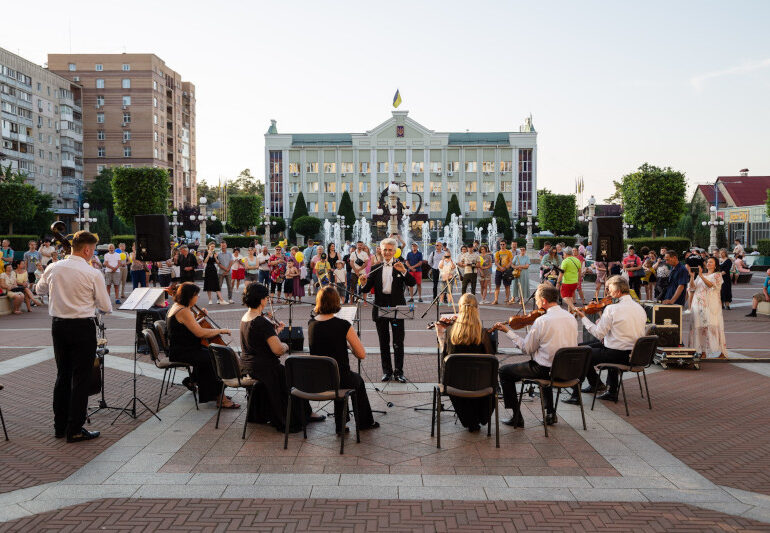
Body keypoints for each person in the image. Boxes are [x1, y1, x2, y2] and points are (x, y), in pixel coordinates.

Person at [35, 231, 112, 442]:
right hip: (81, 326)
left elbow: (39, 290)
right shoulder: (92, 272)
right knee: (80, 379)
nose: (93, 253)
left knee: (62, 375)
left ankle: (59, 426)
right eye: (93, 249)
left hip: (58, 326)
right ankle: (75, 429)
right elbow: (106, 306)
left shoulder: (53, 267)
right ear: (86, 249)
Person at [239, 282, 324, 432]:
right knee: (295, 377)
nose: (267, 301)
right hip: (265, 368)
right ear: (261, 300)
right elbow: (278, 350)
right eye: (267, 298)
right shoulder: (261, 322)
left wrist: (276, 332)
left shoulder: (246, 317)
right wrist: (285, 345)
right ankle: (305, 413)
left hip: (249, 365)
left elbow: (261, 342)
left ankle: (306, 412)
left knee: (288, 373)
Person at [495, 283, 578, 427]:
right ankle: (550, 413)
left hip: (547, 372)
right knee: (544, 359)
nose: (537, 304)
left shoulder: (542, 321)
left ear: (544, 301)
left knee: (504, 371)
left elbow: (527, 349)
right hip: (568, 371)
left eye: (537, 300)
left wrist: (509, 333)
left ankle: (516, 416)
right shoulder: (570, 317)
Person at [308, 286, 378, 433]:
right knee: (356, 380)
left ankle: (342, 424)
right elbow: (361, 354)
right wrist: (350, 347)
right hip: (340, 378)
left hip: (318, 378)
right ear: (336, 302)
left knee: (340, 377)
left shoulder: (311, 324)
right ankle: (364, 422)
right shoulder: (343, 325)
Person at [568, 275, 647, 404]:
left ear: (617, 291)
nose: (607, 292)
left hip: (616, 353)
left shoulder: (612, 309)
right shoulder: (639, 307)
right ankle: (601, 386)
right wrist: (601, 317)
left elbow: (599, 334)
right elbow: (619, 328)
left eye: (609, 289)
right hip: (633, 353)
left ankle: (576, 395)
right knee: (581, 347)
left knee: (580, 352)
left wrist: (583, 318)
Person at [166, 282, 237, 408]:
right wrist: (220, 330)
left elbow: (186, 326)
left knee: (209, 353)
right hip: (183, 352)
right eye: (196, 295)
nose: (198, 297)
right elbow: (199, 332)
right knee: (214, 358)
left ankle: (203, 387)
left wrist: (198, 317)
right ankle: (220, 398)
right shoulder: (183, 311)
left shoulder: (177, 306)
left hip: (182, 349)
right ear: (189, 296)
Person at [434, 294, 495, 432]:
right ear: (476, 309)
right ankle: (480, 416)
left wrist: (440, 334)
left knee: (456, 377)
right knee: (484, 378)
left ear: (460, 308)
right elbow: (491, 360)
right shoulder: (483, 334)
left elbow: (445, 360)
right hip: (482, 386)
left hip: (456, 386)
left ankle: (469, 419)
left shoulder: (451, 332)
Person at [360, 238, 416, 382]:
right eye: (385, 249)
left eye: (390, 250)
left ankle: (399, 372)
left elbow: (412, 282)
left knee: (398, 342)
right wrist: (362, 283)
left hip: (397, 309)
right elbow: (366, 289)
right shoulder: (375, 268)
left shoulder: (400, 265)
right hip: (380, 308)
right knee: (383, 342)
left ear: (395, 251)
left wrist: (404, 272)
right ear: (380, 250)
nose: (387, 252)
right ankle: (387, 371)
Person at [687, 258, 728, 358]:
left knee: (712, 326)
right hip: (698, 305)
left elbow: (711, 286)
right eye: (708, 262)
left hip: (711, 305)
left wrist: (701, 276)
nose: (708, 263)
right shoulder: (701, 276)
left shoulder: (717, 275)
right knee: (700, 327)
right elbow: (692, 288)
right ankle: (702, 351)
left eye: (711, 262)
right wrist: (692, 277)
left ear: (715, 265)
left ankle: (721, 351)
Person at [492, 240, 513, 305]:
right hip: (499, 270)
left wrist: (506, 267)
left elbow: (510, 261)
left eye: (503, 244)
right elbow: (496, 262)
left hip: (507, 271)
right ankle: (496, 300)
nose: (502, 246)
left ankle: (507, 299)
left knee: (507, 286)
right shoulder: (497, 253)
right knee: (497, 285)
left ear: (505, 245)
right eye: (501, 244)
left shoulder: (509, 252)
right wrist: (500, 267)